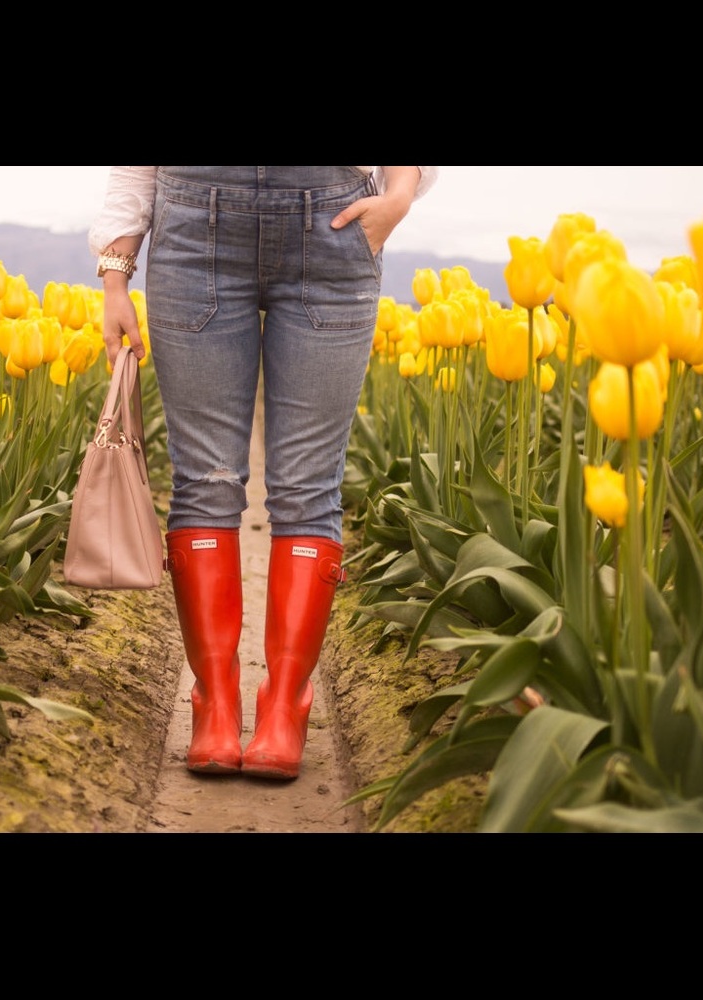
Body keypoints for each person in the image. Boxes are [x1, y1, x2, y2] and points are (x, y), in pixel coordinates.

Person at [89, 166, 439, 780]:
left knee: (307, 487)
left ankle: (285, 705)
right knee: (206, 480)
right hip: (196, 226)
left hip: (333, 225)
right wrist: (115, 273)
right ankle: (214, 704)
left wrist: (400, 196)